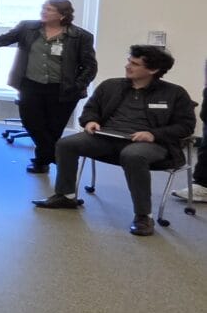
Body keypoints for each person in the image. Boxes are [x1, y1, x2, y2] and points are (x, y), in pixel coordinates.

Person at [41, 45, 198, 236]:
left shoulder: (175, 94)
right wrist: (90, 121)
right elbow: (91, 109)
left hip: (152, 144)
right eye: (129, 61)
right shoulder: (111, 86)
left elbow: (185, 126)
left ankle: (143, 216)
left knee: (133, 155)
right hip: (108, 137)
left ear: (153, 70)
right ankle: (66, 196)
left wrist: (154, 134)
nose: (127, 66)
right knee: (67, 144)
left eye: (134, 64)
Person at [0, 0, 98, 174]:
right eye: (43, 8)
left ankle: (41, 162)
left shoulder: (80, 36)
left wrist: (78, 86)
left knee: (53, 129)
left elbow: (90, 66)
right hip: (31, 85)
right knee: (32, 123)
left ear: (63, 15)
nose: (43, 12)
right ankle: (57, 157)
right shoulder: (28, 28)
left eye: (49, 10)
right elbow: (1, 40)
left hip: (63, 90)